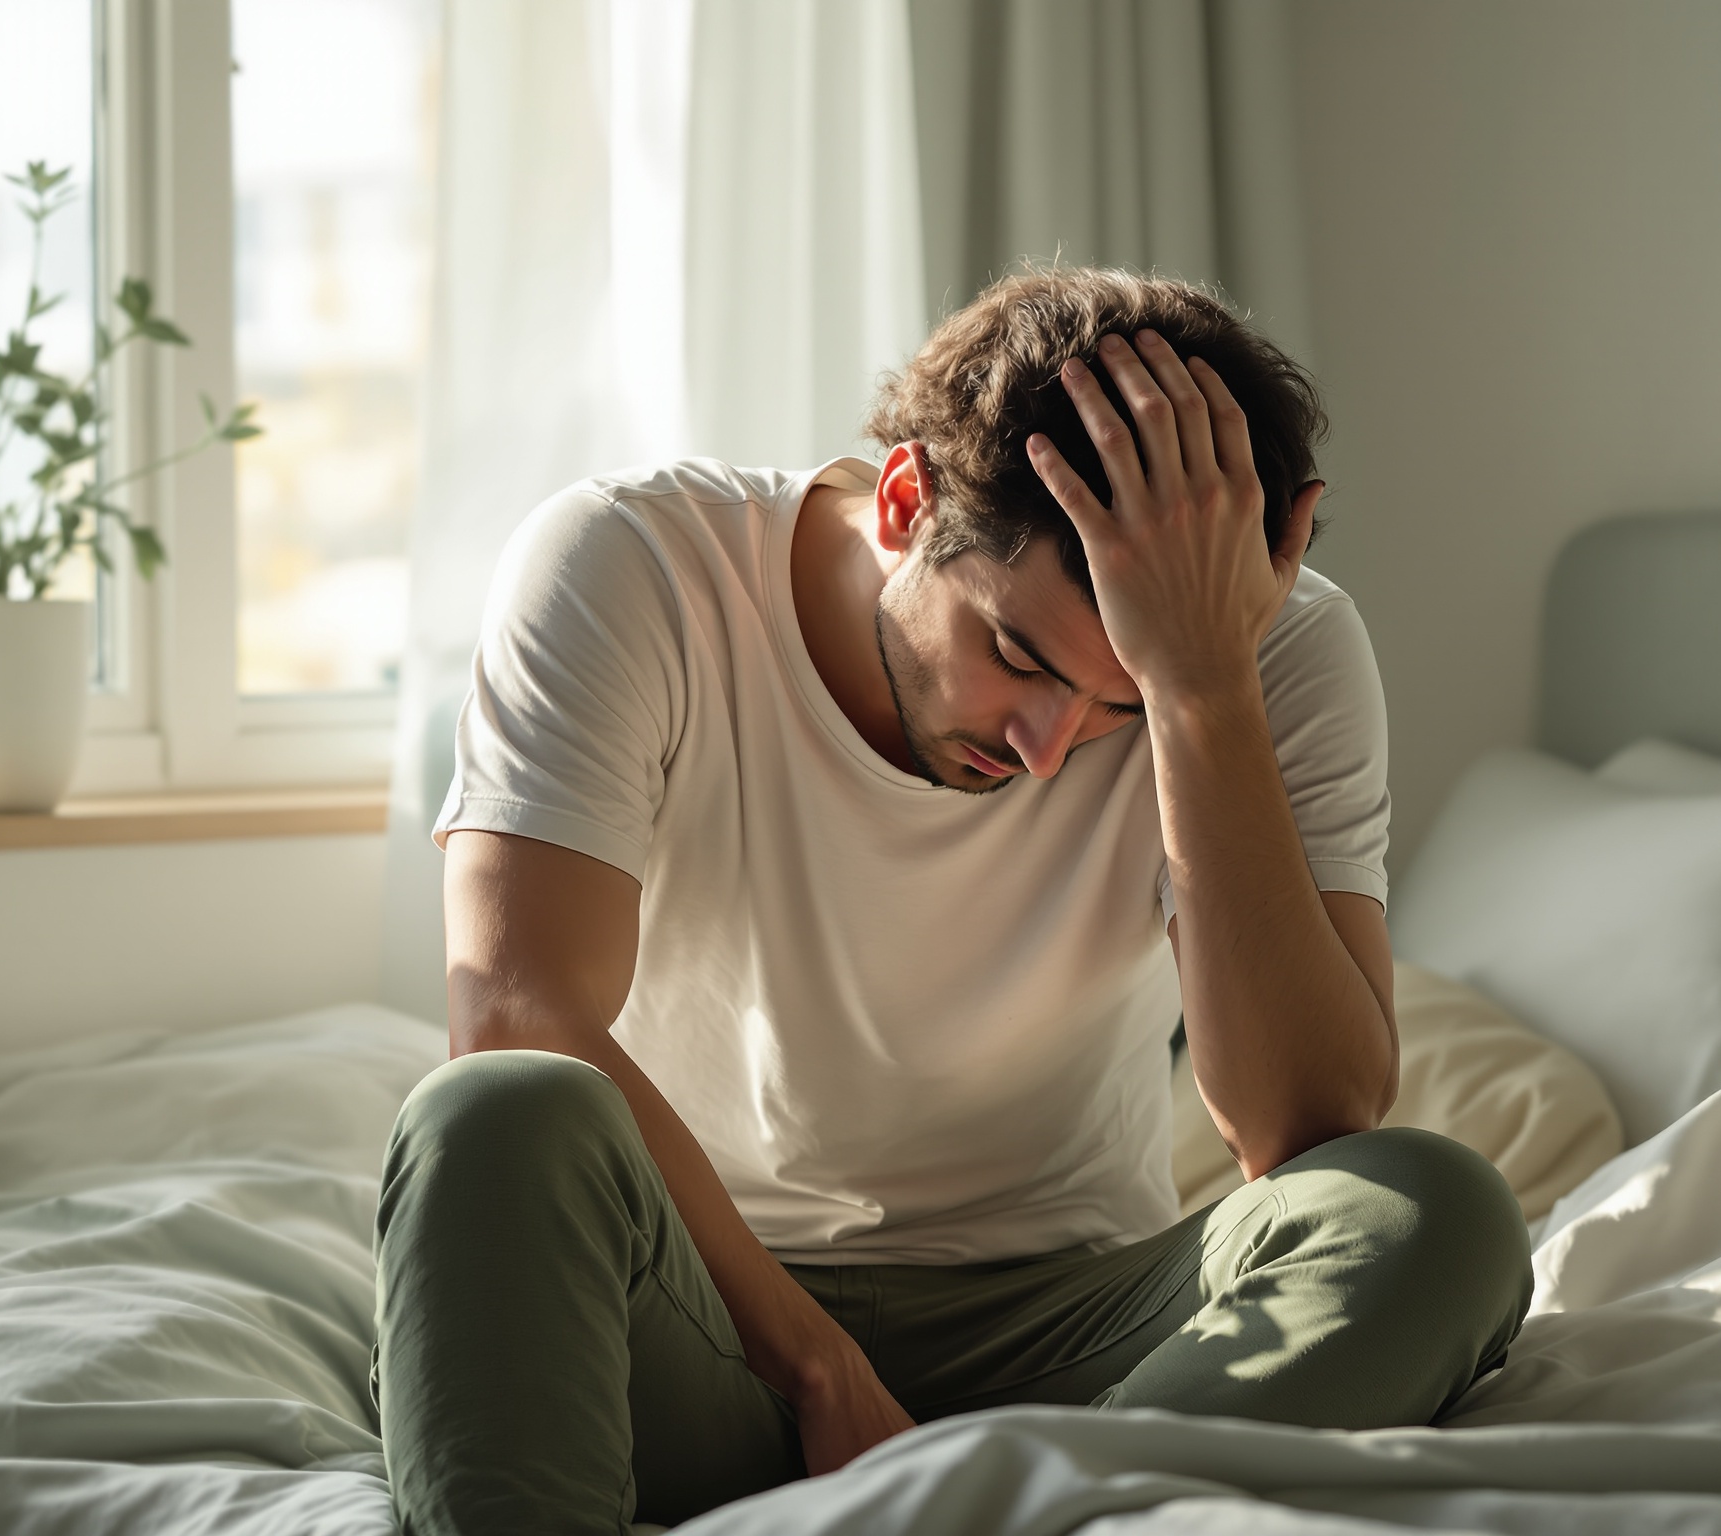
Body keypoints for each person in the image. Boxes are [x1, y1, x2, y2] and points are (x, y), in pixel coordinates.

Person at [375, 268, 1532, 1535]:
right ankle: (1031, 1511)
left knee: (1430, 1208)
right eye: (1019, 657)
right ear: (904, 498)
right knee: (488, 1112)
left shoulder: (1271, 655)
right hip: (697, 1312)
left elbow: (1305, 1126)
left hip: (1077, 1337)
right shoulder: (633, 564)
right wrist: (819, 1369)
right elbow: (516, 1008)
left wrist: (1198, 690)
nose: (1049, 749)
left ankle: (1008, 1510)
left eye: (1116, 710)